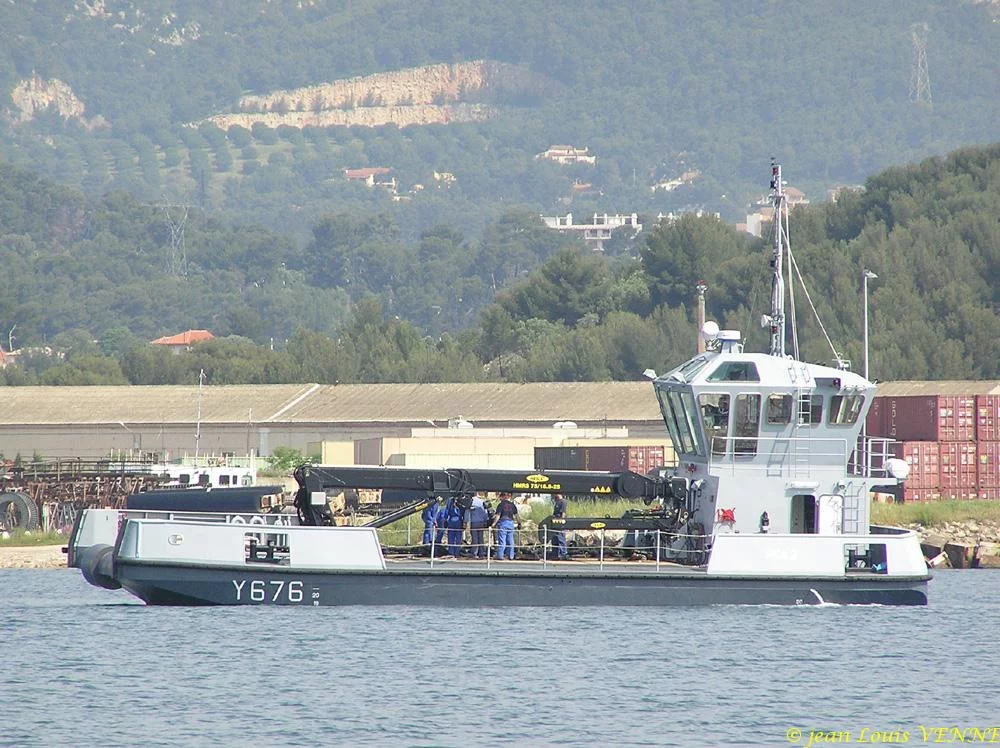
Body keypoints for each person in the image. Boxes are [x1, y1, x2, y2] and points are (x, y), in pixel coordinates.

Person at [494, 492, 518, 560]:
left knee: (502, 540)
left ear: (503, 496)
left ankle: (500, 556)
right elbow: (517, 515)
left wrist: (493, 524)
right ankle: (511, 556)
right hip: (511, 523)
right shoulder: (512, 505)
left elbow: (498, 516)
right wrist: (519, 523)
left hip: (503, 523)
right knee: (510, 540)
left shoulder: (501, 505)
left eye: (501, 497)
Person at [467, 494, 490, 559]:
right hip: (481, 522)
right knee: (481, 538)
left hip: (474, 522)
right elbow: (485, 512)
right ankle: (481, 553)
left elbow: (467, 512)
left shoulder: (471, 502)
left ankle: (474, 553)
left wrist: (465, 521)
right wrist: (485, 521)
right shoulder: (481, 501)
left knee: (475, 538)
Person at [551, 493, 568, 560]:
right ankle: (555, 554)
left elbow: (563, 512)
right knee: (555, 539)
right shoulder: (556, 502)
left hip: (560, 523)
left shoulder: (563, 501)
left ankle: (563, 554)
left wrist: (561, 521)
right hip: (555, 522)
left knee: (561, 538)